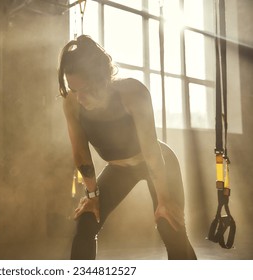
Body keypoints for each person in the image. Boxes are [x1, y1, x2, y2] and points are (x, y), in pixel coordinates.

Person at [57, 35, 197, 260]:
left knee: (170, 226)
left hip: (158, 161)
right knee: (86, 222)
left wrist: (163, 200)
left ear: (101, 79)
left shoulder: (133, 93)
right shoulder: (72, 103)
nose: (79, 97)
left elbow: (151, 152)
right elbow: (81, 154)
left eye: (84, 89)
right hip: (118, 169)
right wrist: (92, 195)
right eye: (73, 89)